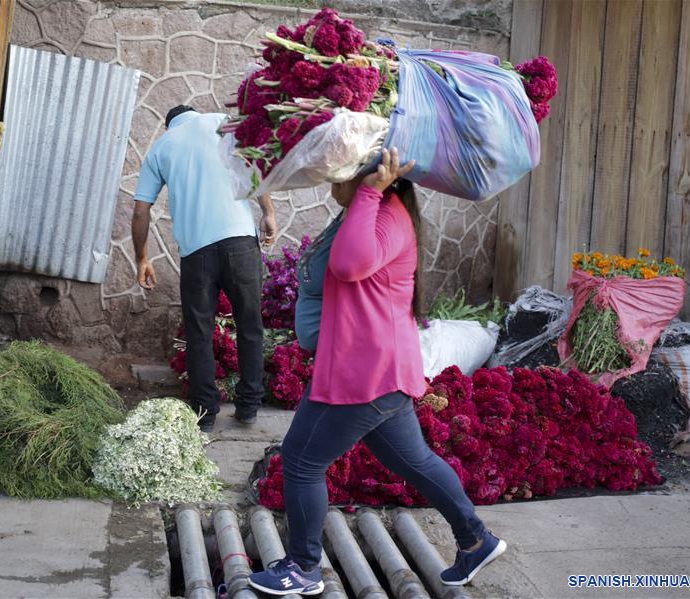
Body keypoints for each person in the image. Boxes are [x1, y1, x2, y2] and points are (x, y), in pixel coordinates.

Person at [248, 148, 506, 595]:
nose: (334, 184)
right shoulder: (378, 212)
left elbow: (348, 265)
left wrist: (368, 193)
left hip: (362, 375)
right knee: (414, 461)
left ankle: (304, 568)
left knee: (302, 462)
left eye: (343, 175)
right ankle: (475, 540)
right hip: (376, 370)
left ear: (375, 179)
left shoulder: (385, 214)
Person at [131, 105, 277, 432]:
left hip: (197, 253)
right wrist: (267, 212)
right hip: (240, 242)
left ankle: (205, 413)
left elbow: (141, 211)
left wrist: (142, 257)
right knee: (250, 324)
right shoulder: (221, 124)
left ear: (170, 125)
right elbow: (254, 164)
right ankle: (249, 406)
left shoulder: (161, 147)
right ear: (196, 114)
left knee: (200, 332)